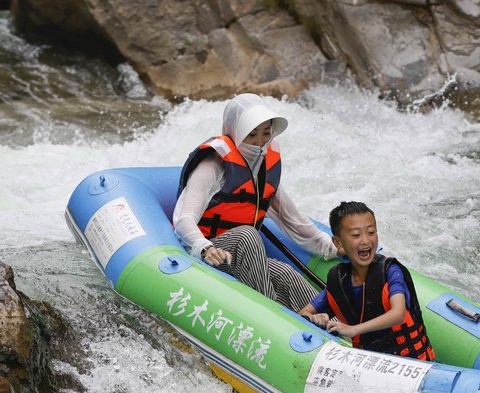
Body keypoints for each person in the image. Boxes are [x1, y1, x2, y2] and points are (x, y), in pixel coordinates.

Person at [173, 93, 336, 311]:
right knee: (247, 235)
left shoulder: (263, 169)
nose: (260, 143)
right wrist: (204, 247)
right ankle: (276, 316)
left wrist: (332, 246)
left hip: (241, 259)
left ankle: (339, 331)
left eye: (266, 133)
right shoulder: (212, 166)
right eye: (251, 135)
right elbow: (183, 219)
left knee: (285, 273)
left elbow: (293, 220)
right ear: (235, 132)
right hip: (208, 252)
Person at [299, 201, 435, 361]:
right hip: (369, 365)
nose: (365, 240)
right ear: (338, 242)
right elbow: (303, 313)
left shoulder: (390, 271)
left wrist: (353, 330)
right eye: (356, 235)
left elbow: (398, 313)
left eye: (371, 232)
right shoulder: (339, 281)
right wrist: (316, 318)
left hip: (412, 364)